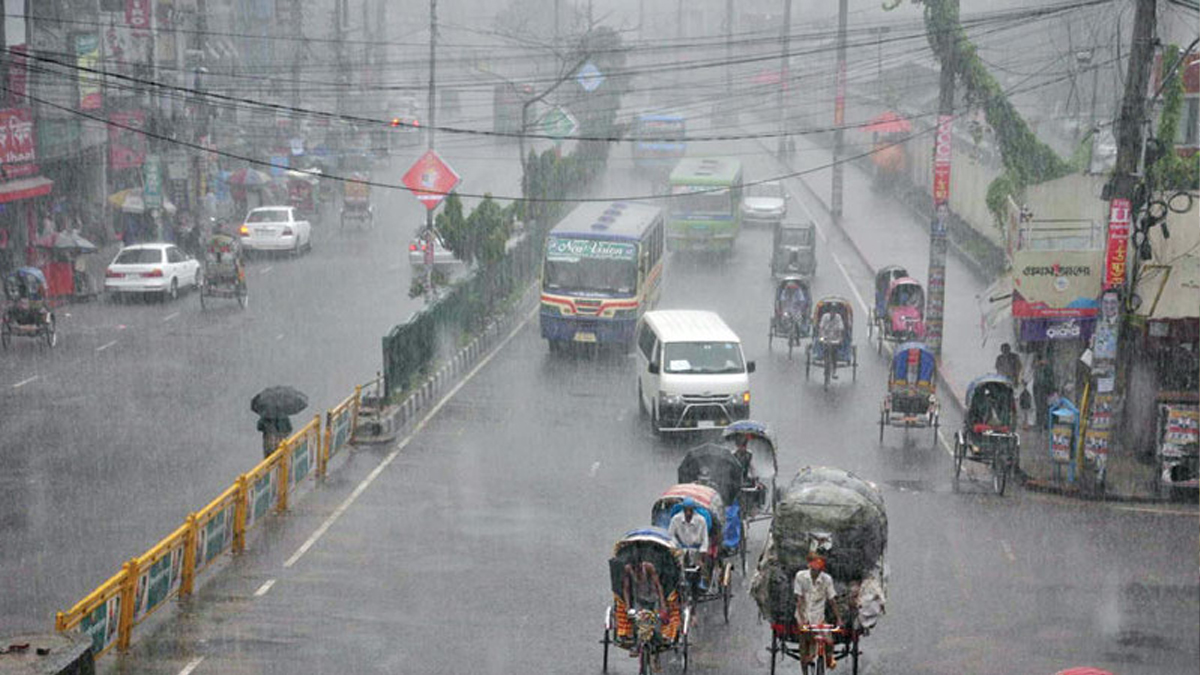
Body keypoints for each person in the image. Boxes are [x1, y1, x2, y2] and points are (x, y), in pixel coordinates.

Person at [795, 551, 843, 671]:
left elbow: (832, 600)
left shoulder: (827, 579)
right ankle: (805, 671)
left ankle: (828, 660)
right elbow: (799, 601)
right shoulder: (800, 577)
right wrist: (802, 620)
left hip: (819, 618)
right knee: (804, 649)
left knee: (830, 642)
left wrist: (839, 619)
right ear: (809, 565)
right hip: (803, 616)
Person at [621, 560, 668, 669]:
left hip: (653, 599)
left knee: (656, 628)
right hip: (639, 600)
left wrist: (663, 605)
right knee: (637, 623)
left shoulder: (648, 567)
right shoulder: (628, 569)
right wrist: (628, 607)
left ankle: (656, 655)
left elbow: (658, 586)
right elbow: (626, 589)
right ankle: (636, 645)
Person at [668, 498, 709, 589]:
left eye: (690, 510)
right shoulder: (676, 519)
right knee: (677, 563)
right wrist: (676, 546)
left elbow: (705, 538)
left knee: (700, 563)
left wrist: (703, 551)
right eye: (686, 510)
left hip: (696, 548)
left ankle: (701, 579)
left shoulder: (701, 520)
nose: (688, 513)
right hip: (681, 548)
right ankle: (680, 579)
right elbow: (671, 535)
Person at [1033, 353, 1055, 429]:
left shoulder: (1046, 368)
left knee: (1044, 407)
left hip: (1044, 390)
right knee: (1040, 407)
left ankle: (1045, 424)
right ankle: (1041, 423)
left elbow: (1049, 380)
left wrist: (1049, 389)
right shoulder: (1038, 368)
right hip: (1039, 390)